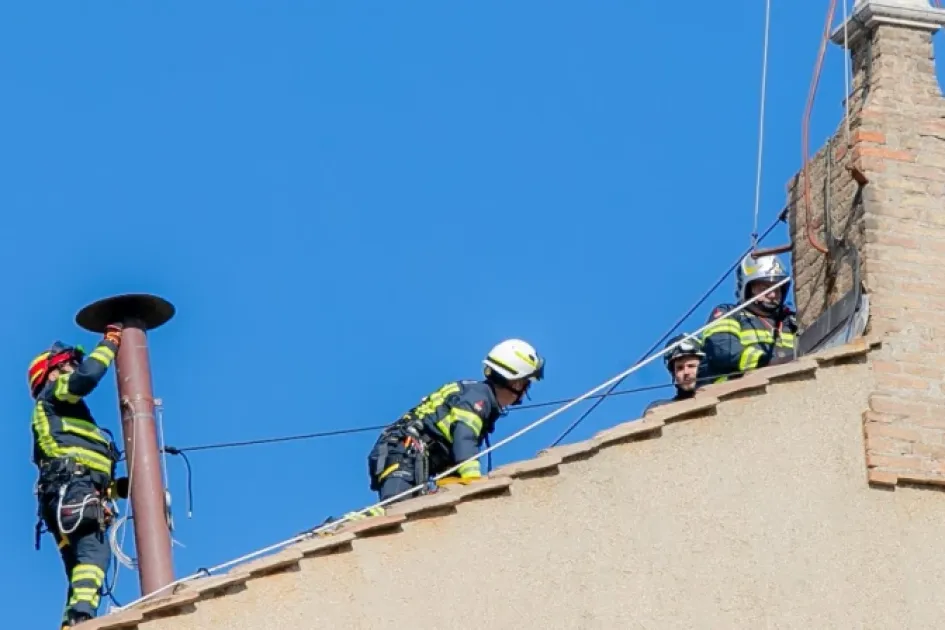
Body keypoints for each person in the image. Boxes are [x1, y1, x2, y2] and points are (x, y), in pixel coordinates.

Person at [29, 324, 127, 629]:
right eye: (69, 364)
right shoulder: (52, 396)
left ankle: (72, 623)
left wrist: (118, 489)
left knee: (81, 568)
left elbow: (86, 467)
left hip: (71, 494)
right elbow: (86, 378)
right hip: (71, 492)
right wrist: (109, 344)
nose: (75, 367)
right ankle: (82, 618)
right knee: (94, 554)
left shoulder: (74, 422)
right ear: (53, 373)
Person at [367, 338, 545, 505]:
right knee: (396, 508)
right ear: (517, 383)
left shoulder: (476, 394)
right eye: (526, 384)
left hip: (407, 453)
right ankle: (342, 526)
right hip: (403, 452)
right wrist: (476, 485)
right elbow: (464, 441)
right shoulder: (478, 400)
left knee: (413, 510)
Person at [700, 253, 798, 383]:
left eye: (778, 288)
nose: (773, 294)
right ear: (748, 289)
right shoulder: (728, 314)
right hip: (739, 393)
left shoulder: (791, 321)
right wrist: (768, 361)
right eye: (765, 288)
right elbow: (724, 351)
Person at [643, 334, 705, 415]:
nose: (686, 372)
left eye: (691, 366)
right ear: (673, 373)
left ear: (703, 366)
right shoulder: (659, 408)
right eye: (680, 368)